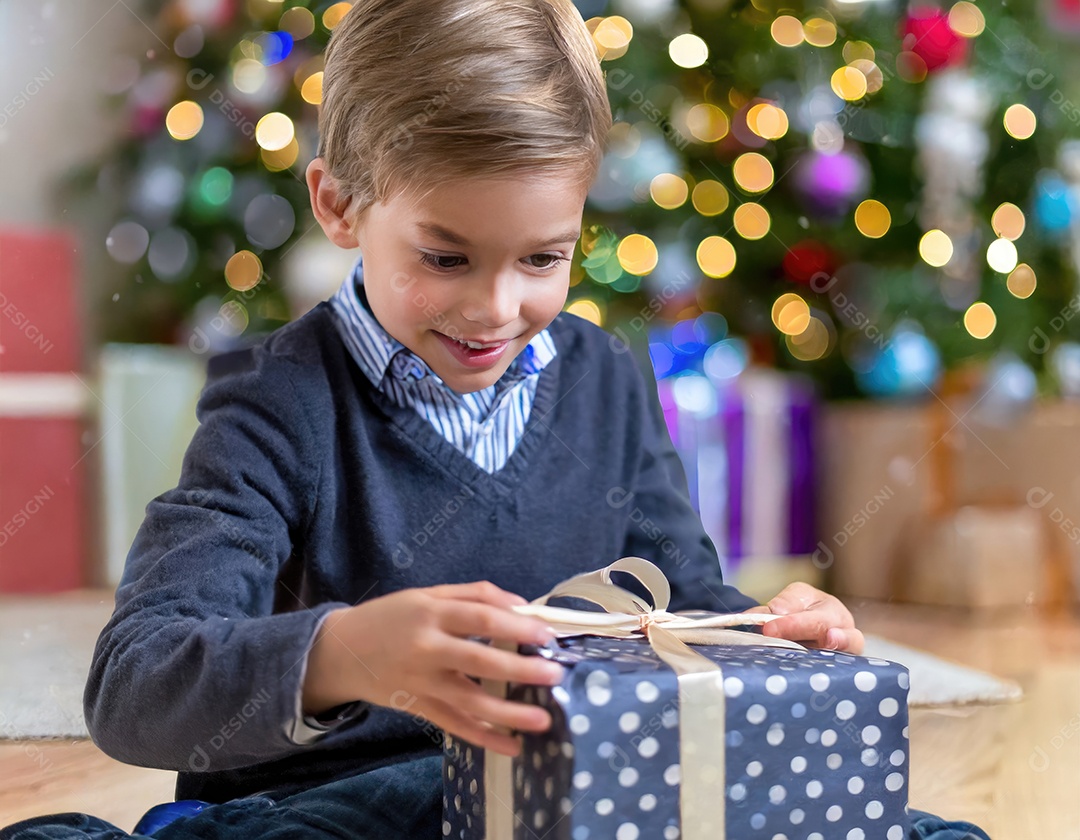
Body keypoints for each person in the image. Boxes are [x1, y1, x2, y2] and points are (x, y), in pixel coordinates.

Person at [1, 1, 990, 838]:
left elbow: (679, 601)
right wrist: (347, 653)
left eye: (541, 260)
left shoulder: (604, 377)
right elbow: (136, 686)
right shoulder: (277, 402)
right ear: (340, 206)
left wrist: (769, 635)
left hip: (576, 797)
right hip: (342, 808)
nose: (495, 308)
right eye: (445, 257)